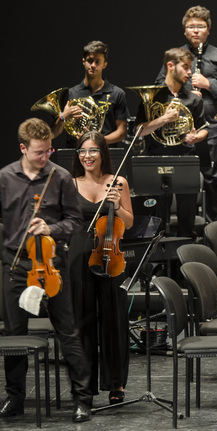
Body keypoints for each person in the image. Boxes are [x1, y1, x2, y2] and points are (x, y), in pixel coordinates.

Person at [0, 118, 92, 422]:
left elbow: (76, 223)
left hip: (51, 265)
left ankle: (82, 398)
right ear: (23, 148)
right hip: (16, 265)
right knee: (14, 335)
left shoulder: (61, 176)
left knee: (68, 331)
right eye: (39, 152)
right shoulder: (5, 177)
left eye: (49, 150)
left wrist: (50, 227)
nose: (46, 157)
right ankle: (15, 398)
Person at [156, 5, 217, 221]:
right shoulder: (176, 56)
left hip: (212, 125)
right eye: (191, 27)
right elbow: (159, 84)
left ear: (208, 29)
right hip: (179, 127)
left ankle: (212, 226)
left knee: (212, 176)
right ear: (184, 30)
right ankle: (187, 226)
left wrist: (208, 83)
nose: (195, 31)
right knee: (183, 175)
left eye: (200, 26)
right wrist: (186, 92)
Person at [68, 131, 133, 405]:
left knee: (114, 320)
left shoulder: (117, 182)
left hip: (110, 256)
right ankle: (84, 386)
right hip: (79, 258)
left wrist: (117, 207)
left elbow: (128, 223)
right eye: (83, 151)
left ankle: (115, 383)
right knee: (82, 322)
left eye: (93, 150)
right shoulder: (70, 183)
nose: (87, 156)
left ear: (103, 153)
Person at [138, 47, 208, 238]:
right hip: (155, 159)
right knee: (157, 220)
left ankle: (185, 258)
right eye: (185, 67)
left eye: (190, 67)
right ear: (170, 66)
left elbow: (203, 129)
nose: (189, 72)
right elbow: (139, 131)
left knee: (187, 218)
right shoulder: (151, 95)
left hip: (184, 160)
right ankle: (157, 261)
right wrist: (164, 119)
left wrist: (196, 137)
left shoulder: (193, 99)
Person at [53, 41, 129, 147]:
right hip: (76, 153)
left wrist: (96, 140)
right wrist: (63, 116)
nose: (93, 65)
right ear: (83, 61)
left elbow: (122, 133)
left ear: (105, 64)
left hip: (106, 154)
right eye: (90, 61)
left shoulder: (117, 93)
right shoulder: (71, 93)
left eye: (97, 62)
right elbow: (54, 133)